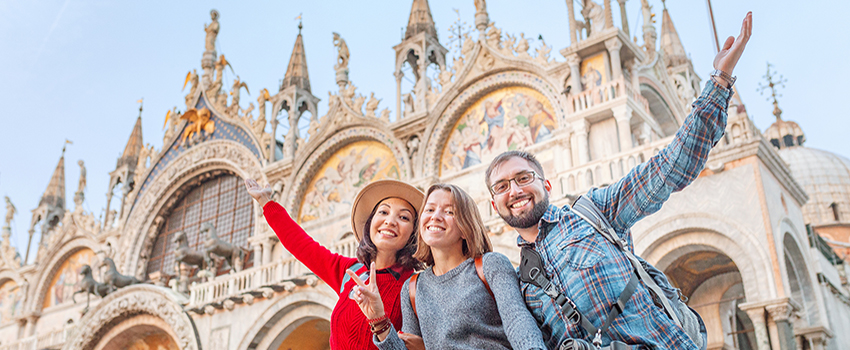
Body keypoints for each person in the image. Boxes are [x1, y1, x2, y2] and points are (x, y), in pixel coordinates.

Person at [484, 12, 752, 350]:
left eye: (524, 178)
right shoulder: (519, 282)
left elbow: (668, 168)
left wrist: (720, 80)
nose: (516, 190)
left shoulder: (594, 212)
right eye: (503, 186)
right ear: (494, 204)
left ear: (547, 185)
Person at [347, 183, 547, 350]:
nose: (436, 216)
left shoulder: (490, 265)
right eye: (430, 209)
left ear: (465, 227)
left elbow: (518, 322)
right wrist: (378, 320)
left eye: (449, 211)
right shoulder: (413, 288)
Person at [244, 178, 425, 350]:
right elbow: (301, 245)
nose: (390, 221)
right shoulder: (350, 271)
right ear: (370, 223)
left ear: (413, 233)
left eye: (404, 218)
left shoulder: (416, 287)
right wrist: (266, 202)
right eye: (383, 212)